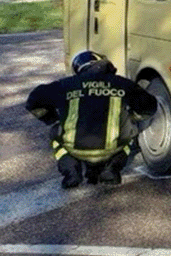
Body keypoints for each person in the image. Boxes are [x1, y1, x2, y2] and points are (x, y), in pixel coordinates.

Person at [26, 51, 158, 188]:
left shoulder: (65, 85)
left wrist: (52, 118)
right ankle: (112, 169)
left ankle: (71, 172)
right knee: (130, 132)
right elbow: (150, 106)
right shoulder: (122, 83)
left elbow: (32, 102)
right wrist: (132, 118)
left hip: (75, 149)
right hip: (112, 148)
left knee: (54, 132)